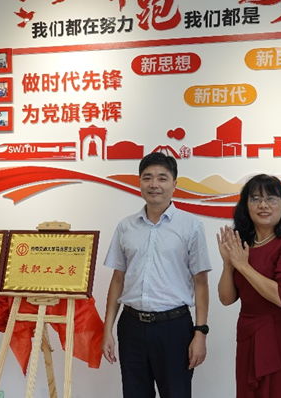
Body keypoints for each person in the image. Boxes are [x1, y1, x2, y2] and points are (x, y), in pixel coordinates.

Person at [101, 152, 212, 398]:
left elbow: (201, 283)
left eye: (162, 178)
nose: (154, 184)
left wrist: (200, 333)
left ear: (174, 184)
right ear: (139, 182)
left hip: (174, 328)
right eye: (147, 177)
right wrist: (107, 330)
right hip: (131, 327)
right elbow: (117, 279)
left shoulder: (191, 226)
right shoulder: (126, 227)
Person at [217, 174, 281, 398]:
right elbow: (226, 299)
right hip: (248, 333)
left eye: (271, 199)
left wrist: (243, 266)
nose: (263, 205)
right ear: (246, 205)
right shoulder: (242, 243)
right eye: (255, 199)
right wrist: (228, 264)